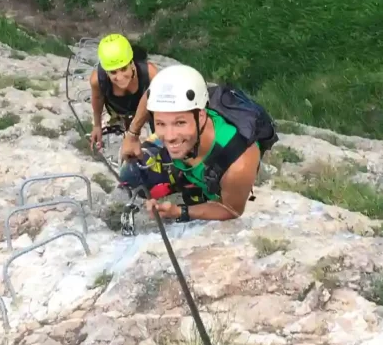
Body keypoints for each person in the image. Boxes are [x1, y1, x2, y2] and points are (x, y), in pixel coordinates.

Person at [118, 64, 276, 223]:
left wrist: (180, 211)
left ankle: (191, 185)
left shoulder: (237, 163)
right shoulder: (181, 129)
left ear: (201, 116)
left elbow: (231, 209)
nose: (170, 136)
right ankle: (183, 175)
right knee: (131, 175)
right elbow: (150, 95)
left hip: (213, 171)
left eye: (179, 123)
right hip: (191, 156)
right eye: (160, 124)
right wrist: (132, 135)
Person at [88, 33, 158, 153]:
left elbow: (161, 104)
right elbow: (97, 98)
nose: (120, 77)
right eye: (113, 72)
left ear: (132, 63)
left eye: (124, 69)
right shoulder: (97, 80)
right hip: (117, 109)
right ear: (106, 71)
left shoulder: (150, 74)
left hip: (148, 108)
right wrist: (97, 126)